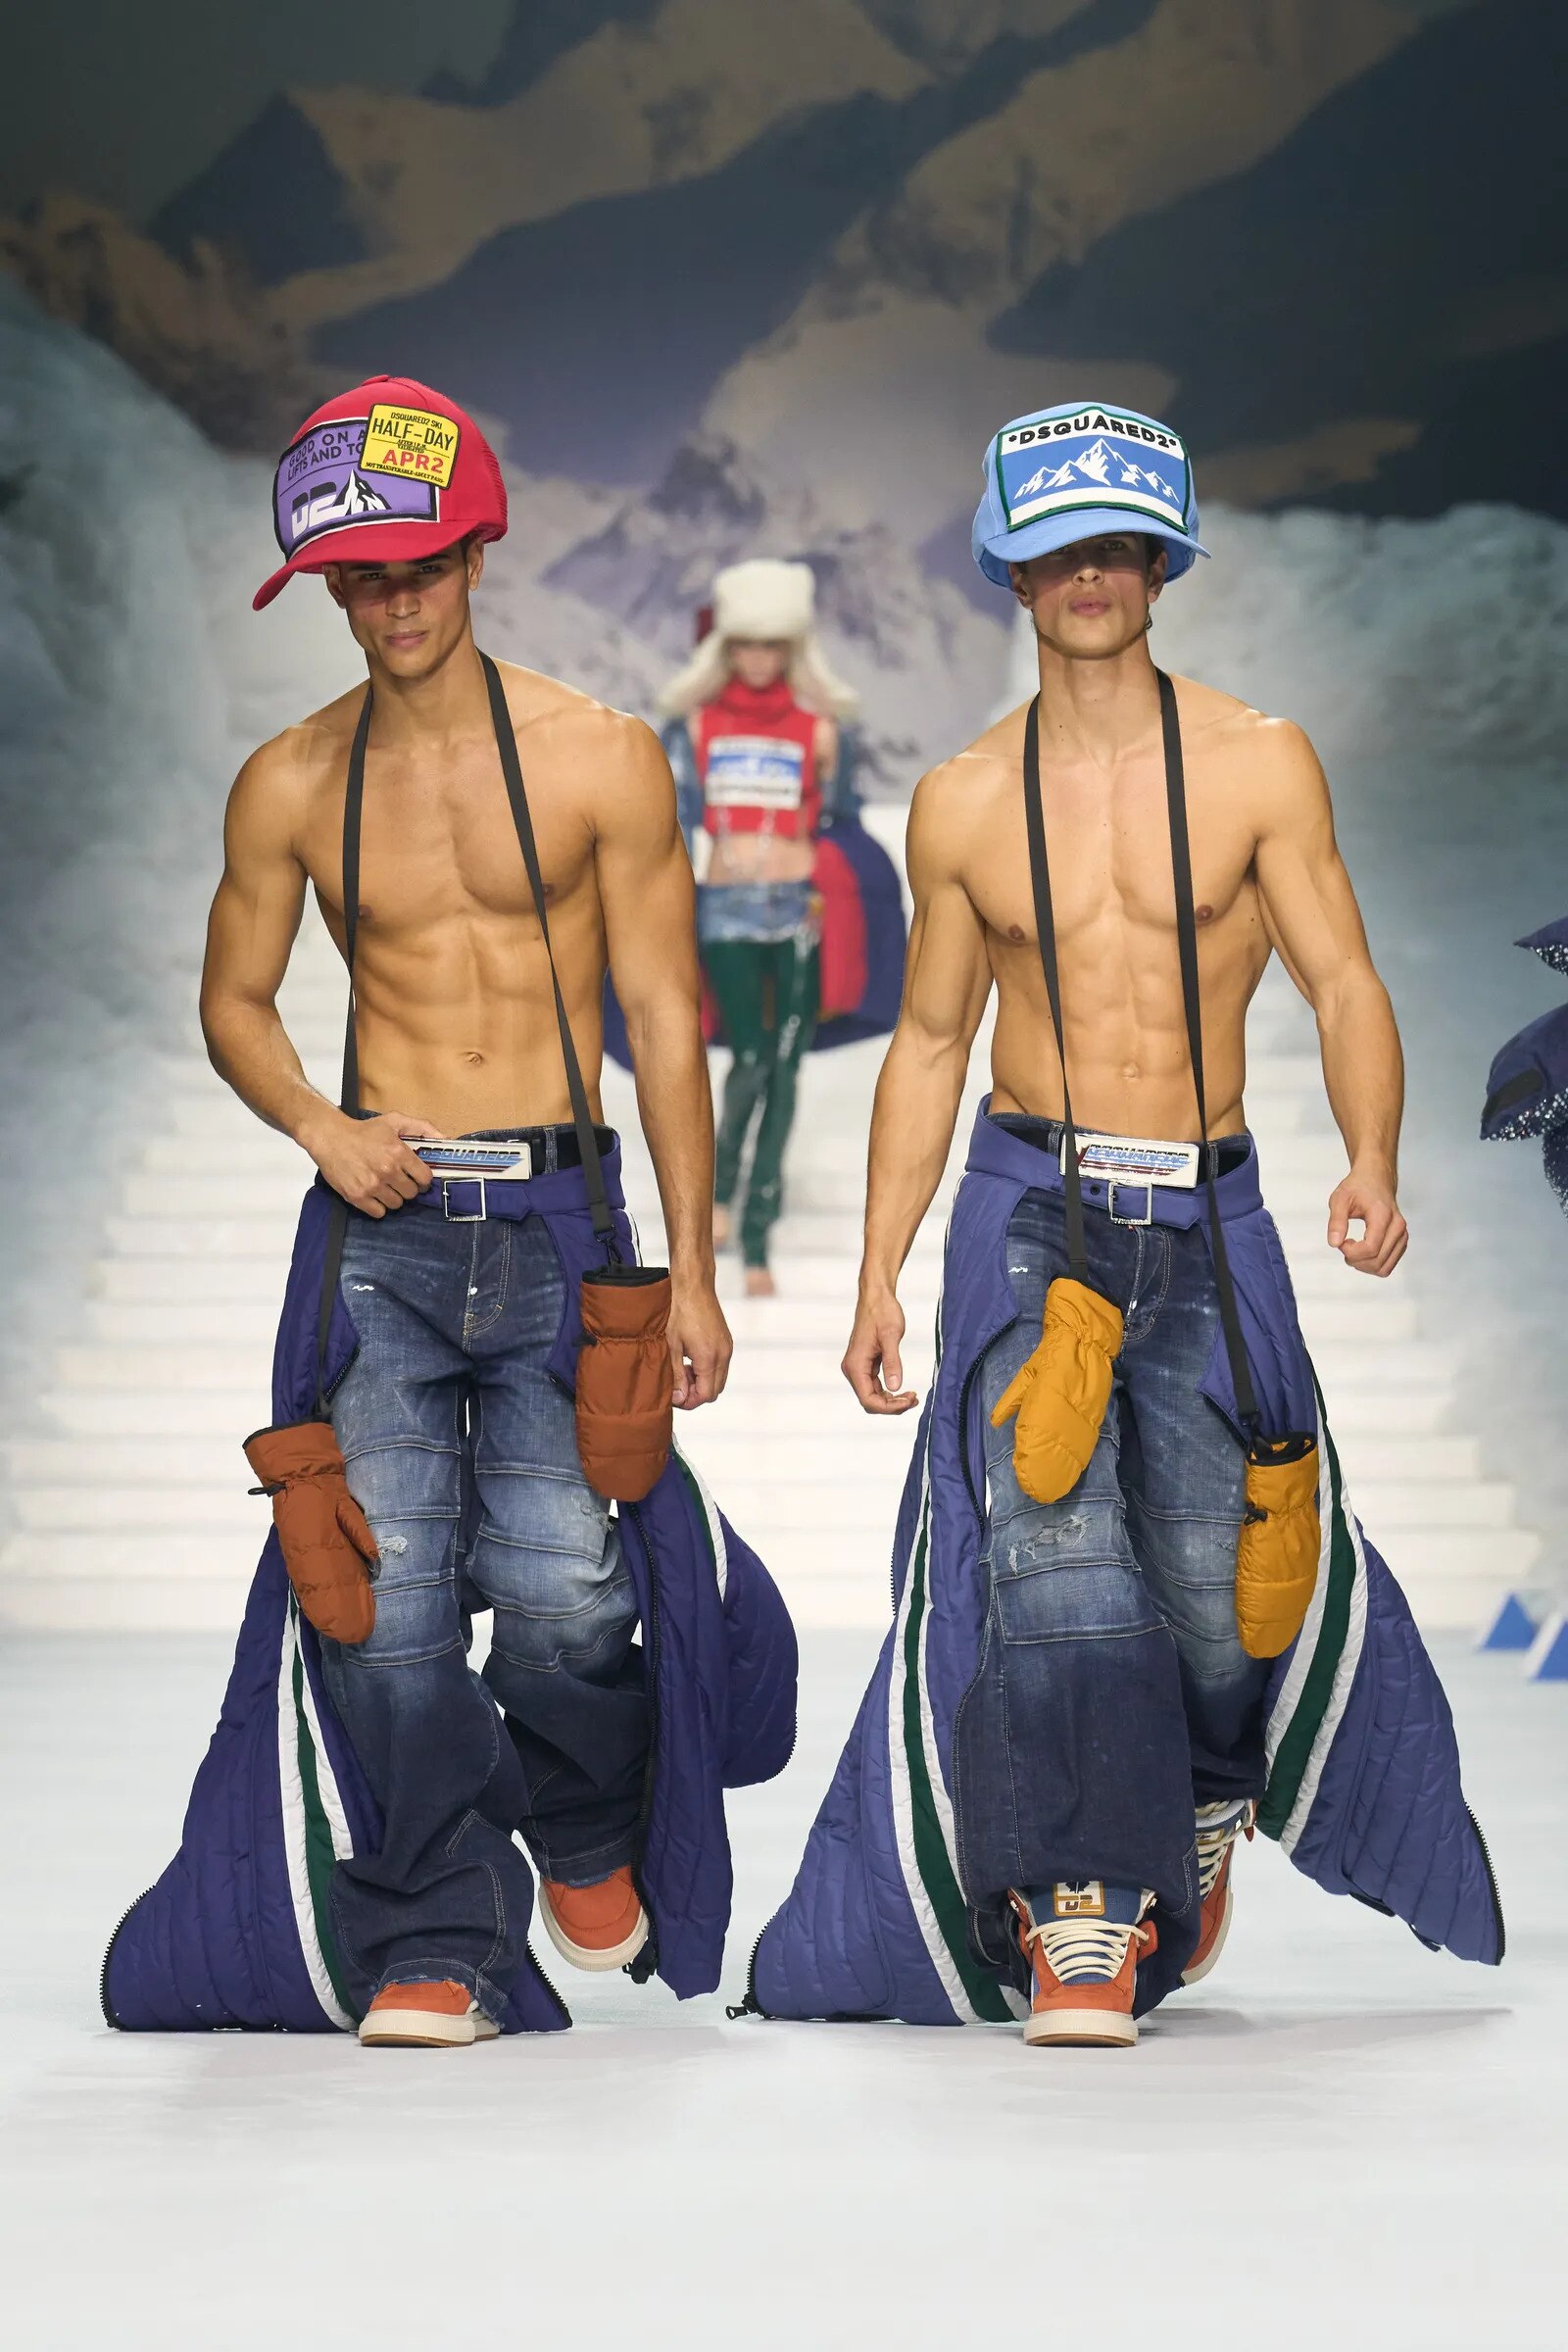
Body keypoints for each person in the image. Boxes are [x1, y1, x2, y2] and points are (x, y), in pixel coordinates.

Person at [745, 400, 1502, 2047]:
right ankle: (1081, 1902)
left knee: (1226, 1584)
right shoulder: (963, 799)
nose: (1088, 574)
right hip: (1034, 1203)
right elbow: (931, 1042)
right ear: (1012, 570)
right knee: (1052, 1548)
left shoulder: (1258, 764)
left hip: (1209, 1207)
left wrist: (1372, 1157)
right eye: (1057, 546)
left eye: (1117, 544)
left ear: (1162, 561)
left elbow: (1342, 978)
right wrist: (876, 1272)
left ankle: (1205, 1785)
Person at [102, 374, 799, 2051]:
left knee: (567, 1588)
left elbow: (664, 1019)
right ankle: (439, 1933)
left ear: (476, 551)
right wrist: (321, 1126)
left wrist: (695, 1272)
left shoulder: (601, 757)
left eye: (418, 567)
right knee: (380, 1595)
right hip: (386, 1231)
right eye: (361, 579)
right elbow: (234, 1001)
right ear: (329, 591)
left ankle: (578, 1812)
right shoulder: (289, 781)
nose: (395, 603)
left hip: (561, 1219)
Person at [657, 561, 860, 1295]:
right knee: (750, 1056)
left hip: (799, 908)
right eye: (746, 643)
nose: (759, 659)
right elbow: (673, 822)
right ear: (725, 646)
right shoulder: (696, 725)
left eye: (773, 644)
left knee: (785, 1064)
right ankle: (722, 1199)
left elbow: (839, 818)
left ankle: (756, 1228)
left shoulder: (821, 728)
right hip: (728, 909)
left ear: (794, 647)